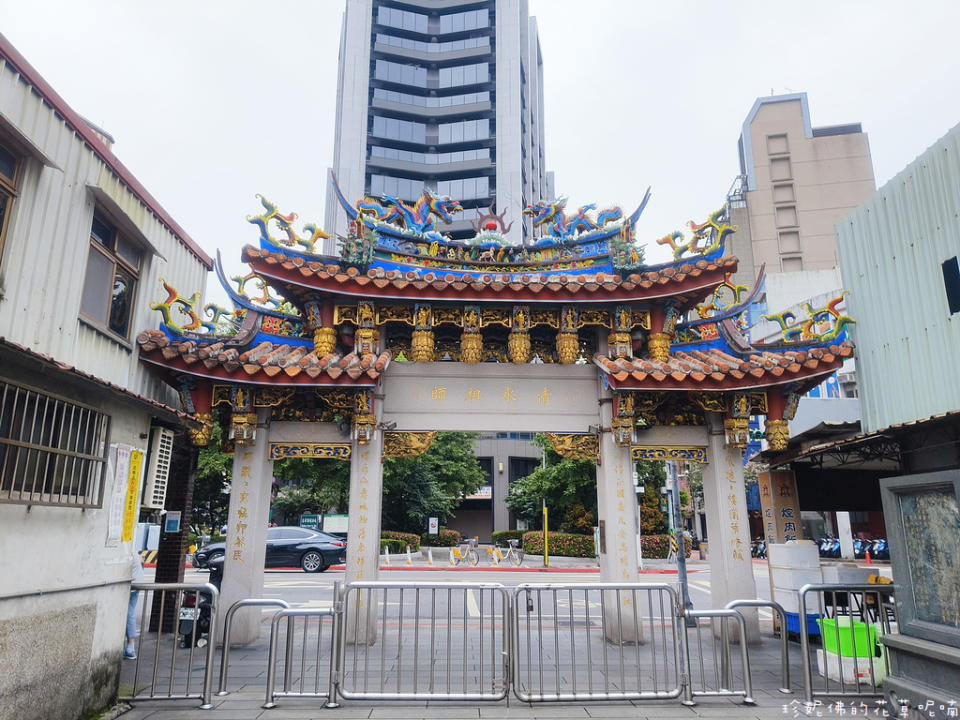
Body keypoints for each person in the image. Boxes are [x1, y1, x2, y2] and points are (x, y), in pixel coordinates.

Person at [125, 553, 144, 659]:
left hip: (131, 585)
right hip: (137, 583)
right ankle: (130, 647)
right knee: (130, 612)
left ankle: (130, 647)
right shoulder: (134, 552)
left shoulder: (127, 551)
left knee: (129, 612)